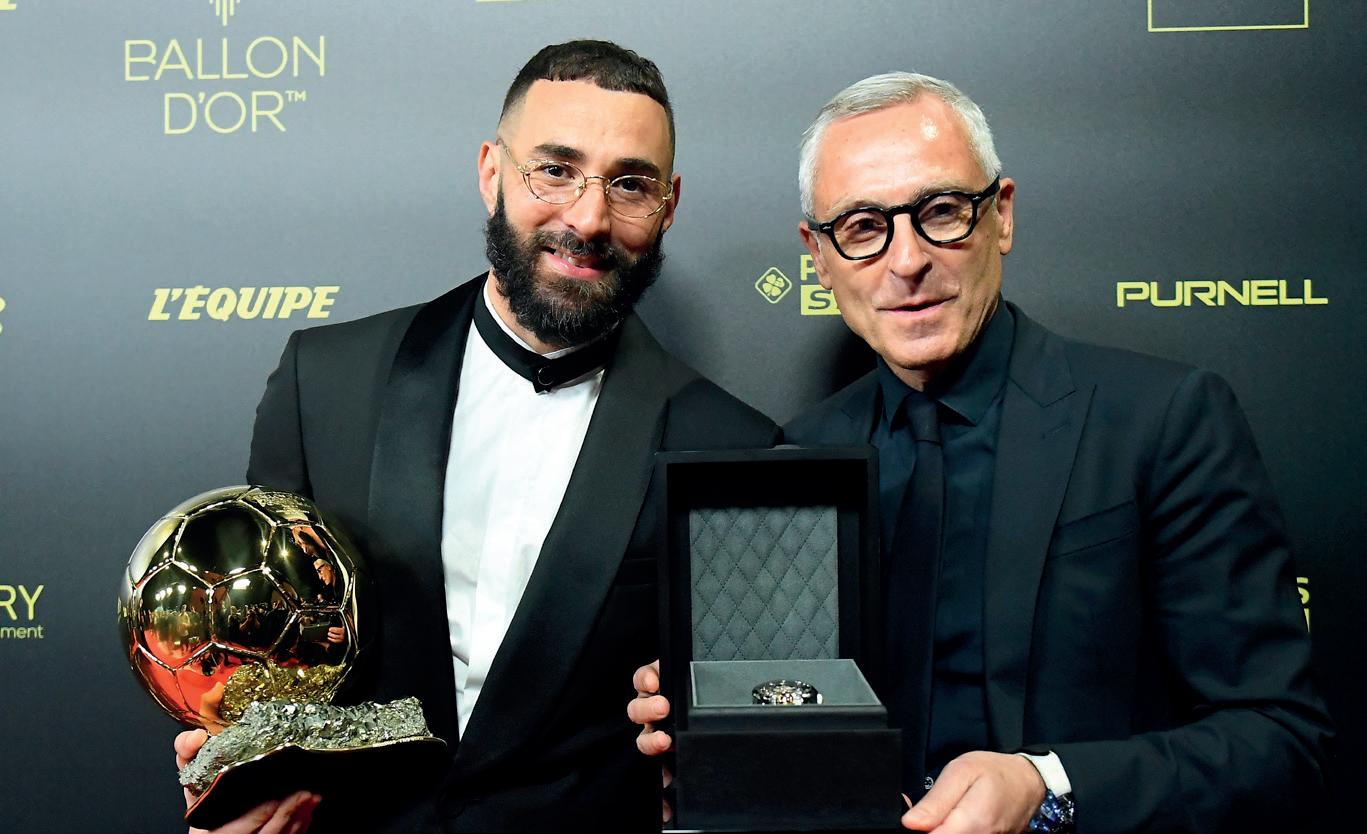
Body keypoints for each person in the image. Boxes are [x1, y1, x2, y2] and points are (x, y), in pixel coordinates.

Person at [630, 71, 1331, 834]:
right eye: (862, 227)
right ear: (819, 257)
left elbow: (1277, 742)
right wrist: (720, 744)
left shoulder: (1162, 422)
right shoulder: (800, 454)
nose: (906, 261)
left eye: (939, 212)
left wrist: (1047, 788)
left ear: (1000, 215)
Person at [174, 40, 778, 834]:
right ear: (491, 171)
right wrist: (233, 763)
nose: (587, 218)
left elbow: (733, 739)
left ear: (667, 206)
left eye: (630, 184)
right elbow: (260, 650)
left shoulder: (733, 445)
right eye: (554, 170)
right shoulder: (323, 382)